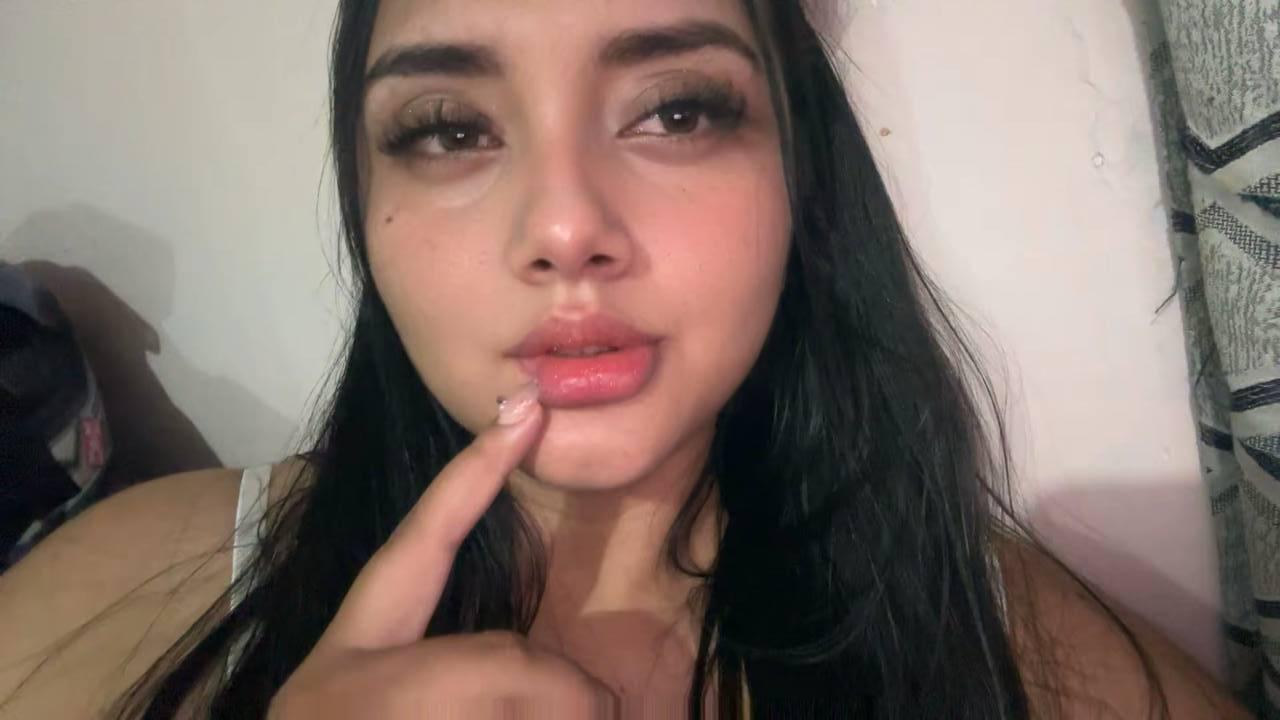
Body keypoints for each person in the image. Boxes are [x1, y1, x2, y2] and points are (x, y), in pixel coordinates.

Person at [0, 0, 1252, 717]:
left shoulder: (1022, 655)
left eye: (676, 110)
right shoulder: (117, 595)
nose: (563, 227)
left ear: (799, 178)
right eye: (449, 129)